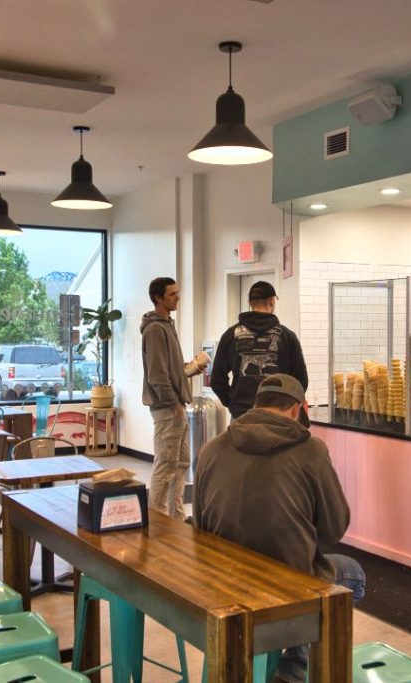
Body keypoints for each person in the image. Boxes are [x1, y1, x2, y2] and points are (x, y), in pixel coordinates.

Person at [193, 374, 365, 683]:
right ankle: (294, 670)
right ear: (298, 409)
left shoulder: (212, 448)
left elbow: (201, 526)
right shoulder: (311, 451)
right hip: (286, 590)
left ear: (257, 404)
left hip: (221, 585)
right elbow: (334, 528)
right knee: (352, 573)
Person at [140, 276, 207, 520]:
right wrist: (175, 405)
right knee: (165, 465)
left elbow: (172, 370)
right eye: (172, 294)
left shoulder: (168, 324)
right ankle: (157, 519)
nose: (177, 297)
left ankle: (175, 517)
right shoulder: (156, 329)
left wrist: (189, 369)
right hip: (168, 409)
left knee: (180, 464)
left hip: (176, 406)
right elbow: (157, 375)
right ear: (158, 298)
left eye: (177, 293)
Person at [211, 281, 308, 419]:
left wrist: (233, 403)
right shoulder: (287, 337)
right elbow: (301, 381)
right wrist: (287, 407)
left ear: (250, 303)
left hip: (242, 417)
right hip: (279, 416)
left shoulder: (230, 335)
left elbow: (216, 380)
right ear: (272, 302)